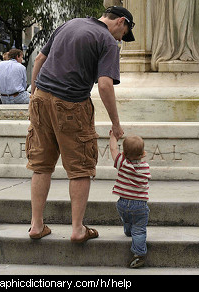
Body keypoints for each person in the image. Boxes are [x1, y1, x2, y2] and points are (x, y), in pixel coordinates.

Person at [26, 6, 135, 242]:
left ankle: (36, 225)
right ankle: (77, 229)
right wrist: (116, 124)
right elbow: (105, 85)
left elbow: (40, 59)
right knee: (80, 167)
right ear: (121, 21)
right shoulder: (107, 40)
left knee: (41, 164)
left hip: (42, 97)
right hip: (72, 103)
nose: (121, 39)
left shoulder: (70, 23)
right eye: (124, 34)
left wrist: (34, 96)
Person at [109, 131, 151, 268]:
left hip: (122, 203)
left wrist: (113, 137)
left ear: (124, 154)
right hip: (139, 205)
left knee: (127, 218)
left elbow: (113, 149)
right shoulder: (145, 167)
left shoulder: (122, 163)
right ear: (143, 153)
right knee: (139, 229)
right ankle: (139, 255)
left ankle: (128, 230)